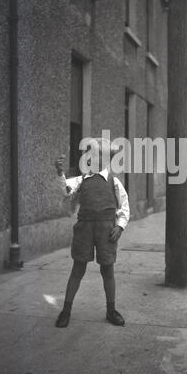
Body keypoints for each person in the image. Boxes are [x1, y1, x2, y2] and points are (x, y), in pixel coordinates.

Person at [54, 138, 130, 328]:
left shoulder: (114, 181)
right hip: (85, 230)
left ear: (106, 159)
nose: (91, 158)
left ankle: (111, 310)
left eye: (96, 154)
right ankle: (66, 310)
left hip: (106, 231)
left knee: (107, 269)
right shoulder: (82, 179)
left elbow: (124, 207)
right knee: (78, 268)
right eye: (89, 155)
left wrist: (119, 227)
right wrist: (60, 172)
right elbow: (66, 190)